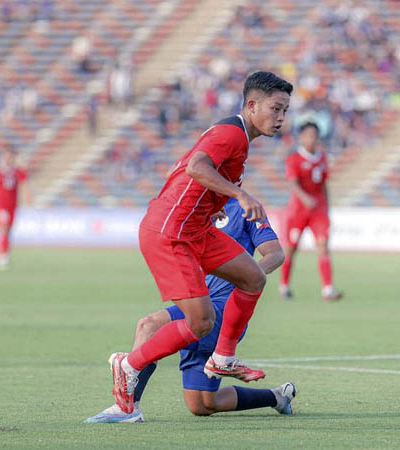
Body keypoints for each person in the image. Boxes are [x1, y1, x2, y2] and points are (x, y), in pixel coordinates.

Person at [109, 71, 293, 414]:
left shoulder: (236, 141)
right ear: (252, 105)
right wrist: (240, 194)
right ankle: (129, 365)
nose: (281, 118)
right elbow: (196, 166)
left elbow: (184, 171)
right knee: (201, 322)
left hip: (195, 230)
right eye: (276, 108)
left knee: (254, 277)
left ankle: (223, 358)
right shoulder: (232, 134)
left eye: (285, 111)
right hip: (172, 233)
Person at [86, 198, 296, 423]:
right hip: (196, 305)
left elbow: (275, 254)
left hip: (223, 312)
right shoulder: (197, 208)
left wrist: (247, 276)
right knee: (203, 404)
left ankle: (127, 408)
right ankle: (277, 397)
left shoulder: (245, 208)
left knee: (149, 326)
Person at [279, 122, 343, 302]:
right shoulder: (294, 158)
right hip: (298, 211)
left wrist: (327, 208)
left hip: (318, 211)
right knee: (291, 248)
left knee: (323, 245)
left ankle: (328, 289)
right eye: (308, 135)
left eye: (314, 135)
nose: (312, 139)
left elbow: (323, 184)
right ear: (301, 137)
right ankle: (284, 286)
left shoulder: (322, 157)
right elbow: (292, 183)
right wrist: (305, 198)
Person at [0, 148, 29, 269]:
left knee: (8, 231)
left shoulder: (16, 171)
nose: (9, 159)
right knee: (3, 228)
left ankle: (5, 252)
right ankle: (3, 255)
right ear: (3, 157)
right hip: (0, 205)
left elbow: (25, 179)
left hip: (12, 205)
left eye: (11, 157)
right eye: (7, 156)